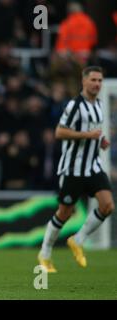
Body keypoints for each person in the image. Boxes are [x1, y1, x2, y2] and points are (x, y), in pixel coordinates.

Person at [38, 66, 115, 273]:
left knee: (107, 206)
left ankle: (78, 240)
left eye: (100, 80)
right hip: (73, 168)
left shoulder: (98, 105)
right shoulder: (74, 105)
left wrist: (101, 140)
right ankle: (44, 253)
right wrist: (86, 136)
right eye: (93, 80)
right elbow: (59, 132)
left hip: (93, 166)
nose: (97, 84)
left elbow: (93, 132)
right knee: (65, 212)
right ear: (84, 81)